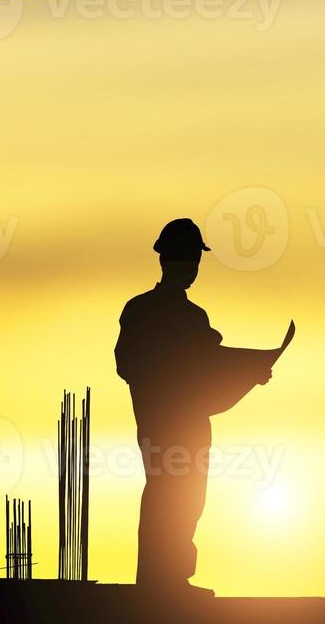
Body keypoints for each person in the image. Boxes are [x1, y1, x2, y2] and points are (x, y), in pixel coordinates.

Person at [115, 218, 276, 595]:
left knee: (181, 496)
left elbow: (205, 370)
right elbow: (133, 365)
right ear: (169, 260)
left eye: (193, 260)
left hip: (170, 422)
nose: (192, 267)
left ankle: (167, 579)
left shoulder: (164, 313)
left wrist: (247, 373)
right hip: (171, 422)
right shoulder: (167, 315)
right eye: (187, 258)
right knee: (171, 495)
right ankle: (161, 582)